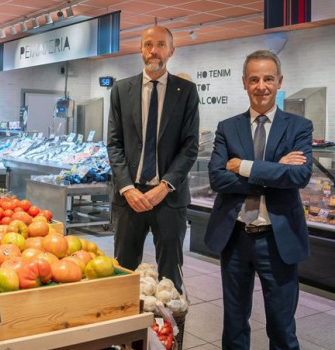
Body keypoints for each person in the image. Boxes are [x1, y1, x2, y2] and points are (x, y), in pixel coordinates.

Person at [205, 50, 312, 350]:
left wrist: (244, 166)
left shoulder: (299, 127)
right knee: (235, 325)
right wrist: (276, 170)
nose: (261, 86)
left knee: (281, 327)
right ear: (244, 83)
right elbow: (217, 178)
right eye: (254, 79)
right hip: (235, 238)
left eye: (267, 79)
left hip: (278, 241)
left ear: (279, 81)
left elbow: (299, 176)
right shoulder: (228, 127)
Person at [107, 26, 200, 292]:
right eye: (148, 44)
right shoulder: (121, 90)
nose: (153, 51)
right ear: (140, 49)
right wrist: (127, 188)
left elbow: (190, 146)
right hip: (129, 199)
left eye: (160, 45)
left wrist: (165, 185)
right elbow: (114, 144)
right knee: (123, 271)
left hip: (169, 199)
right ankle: (125, 333)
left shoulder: (187, 92)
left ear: (171, 50)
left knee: (170, 277)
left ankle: (173, 333)